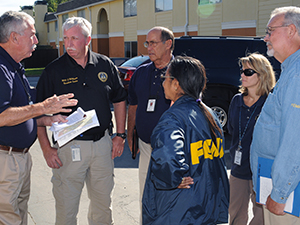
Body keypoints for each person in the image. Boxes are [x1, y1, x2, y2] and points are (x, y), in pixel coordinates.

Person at [36, 17, 127, 225]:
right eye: (65, 38)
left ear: (88, 40)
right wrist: (46, 148)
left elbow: (120, 99)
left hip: (102, 146)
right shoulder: (54, 71)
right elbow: (37, 113)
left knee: (103, 208)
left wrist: (120, 135)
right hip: (69, 147)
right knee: (67, 210)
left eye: (74, 38)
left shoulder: (104, 64)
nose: (68, 44)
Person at [0, 11, 78, 225]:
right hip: (5, 160)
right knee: (8, 218)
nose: (37, 40)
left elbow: (19, 112)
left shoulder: (14, 67)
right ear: (14, 38)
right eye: (32, 35)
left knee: (18, 214)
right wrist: (43, 107)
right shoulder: (1, 69)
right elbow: (2, 116)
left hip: (19, 159)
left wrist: (47, 120)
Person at [142, 56, 229, 224]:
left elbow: (168, 157)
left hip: (179, 208)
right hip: (206, 203)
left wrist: (173, 177)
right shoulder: (210, 114)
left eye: (164, 78)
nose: (162, 83)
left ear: (176, 84)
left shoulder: (173, 117)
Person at [250, 6, 300, 225]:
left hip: (287, 198)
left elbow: (295, 139)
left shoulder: (297, 75)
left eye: (271, 31)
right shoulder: (291, 70)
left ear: (291, 30)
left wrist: (279, 193)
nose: (265, 37)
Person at [127, 26, 173, 219]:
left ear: (168, 44)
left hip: (172, 151)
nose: (149, 47)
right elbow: (133, 106)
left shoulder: (182, 71)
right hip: (146, 146)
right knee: (146, 197)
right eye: (147, 43)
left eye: (153, 43)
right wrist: (130, 135)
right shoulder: (141, 72)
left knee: (170, 199)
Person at [228, 53, 275, 225]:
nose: (242, 75)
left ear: (262, 74)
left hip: (262, 171)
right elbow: (231, 130)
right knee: (235, 215)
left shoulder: (271, 103)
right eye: (242, 71)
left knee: (261, 218)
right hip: (238, 169)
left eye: (248, 72)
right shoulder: (236, 100)